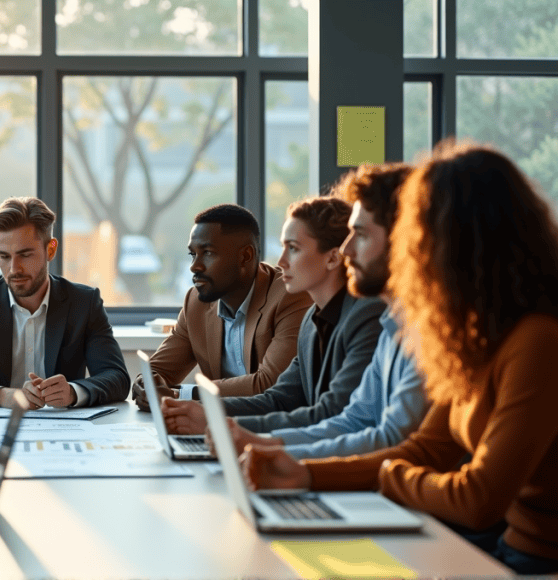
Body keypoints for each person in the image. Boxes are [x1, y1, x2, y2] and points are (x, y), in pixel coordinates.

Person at [239, 141, 558, 574]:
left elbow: (477, 499)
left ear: (453, 243)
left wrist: (387, 475)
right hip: (503, 551)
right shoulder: (474, 337)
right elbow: (427, 448)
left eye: (414, 237)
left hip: (530, 560)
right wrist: (305, 474)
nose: (348, 251)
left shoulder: (537, 340)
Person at [225, 163, 428, 459]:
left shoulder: (374, 317)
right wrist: (259, 441)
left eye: (360, 234)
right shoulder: (387, 323)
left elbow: (390, 438)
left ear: (404, 241)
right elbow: (353, 419)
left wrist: (291, 463)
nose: (347, 250)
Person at [162, 196, 385, 435]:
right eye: (283, 247)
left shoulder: (366, 317)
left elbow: (330, 414)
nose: (282, 262)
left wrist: (216, 423)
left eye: (294, 249)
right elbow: (277, 399)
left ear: (332, 258)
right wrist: (201, 410)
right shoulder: (312, 319)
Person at [0, 197, 129, 409]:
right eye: (4, 256)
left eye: (25, 255)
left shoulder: (83, 303)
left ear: (50, 250)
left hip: (63, 429)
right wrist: (0, 395)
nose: (14, 269)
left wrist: (72, 392)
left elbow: (117, 378)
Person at [132, 204, 312, 410]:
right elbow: (158, 371)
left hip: (274, 429)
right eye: (193, 254)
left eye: (207, 253)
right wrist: (145, 386)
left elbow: (271, 384)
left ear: (245, 256)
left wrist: (182, 394)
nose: (194, 266)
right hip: (216, 427)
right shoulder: (196, 303)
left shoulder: (290, 295)